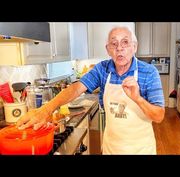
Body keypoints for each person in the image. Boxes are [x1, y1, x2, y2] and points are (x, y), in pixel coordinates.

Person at [16, 26, 165, 155]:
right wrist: (45, 110)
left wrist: (138, 98)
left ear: (134, 46)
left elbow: (158, 116)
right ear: (108, 49)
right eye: (114, 44)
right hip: (111, 148)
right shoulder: (103, 69)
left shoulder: (149, 72)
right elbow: (76, 89)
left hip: (141, 150)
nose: (119, 48)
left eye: (125, 42)